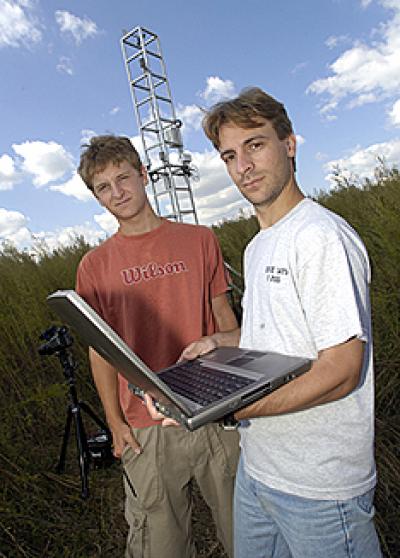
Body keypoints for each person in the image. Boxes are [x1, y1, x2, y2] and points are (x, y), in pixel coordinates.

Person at [148, 87, 382, 558]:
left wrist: (229, 410)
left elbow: (341, 369)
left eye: (255, 145)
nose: (243, 167)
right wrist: (220, 340)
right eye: (229, 155)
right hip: (259, 472)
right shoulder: (259, 245)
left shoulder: (320, 236)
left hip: (320, 487)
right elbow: (278, 330)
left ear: (289, 144)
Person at [75, 135, 240, 558]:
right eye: (104, 187)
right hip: (145, 428)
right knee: (157, 544)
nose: (118, 193)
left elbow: (225, 321)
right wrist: (115, 421)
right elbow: (101, 352)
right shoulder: (94, 267)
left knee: (249, 534)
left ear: (143, 175)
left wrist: (238, 399)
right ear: (96, 197)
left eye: (124, 178)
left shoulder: (200, 239)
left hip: (212, 414)